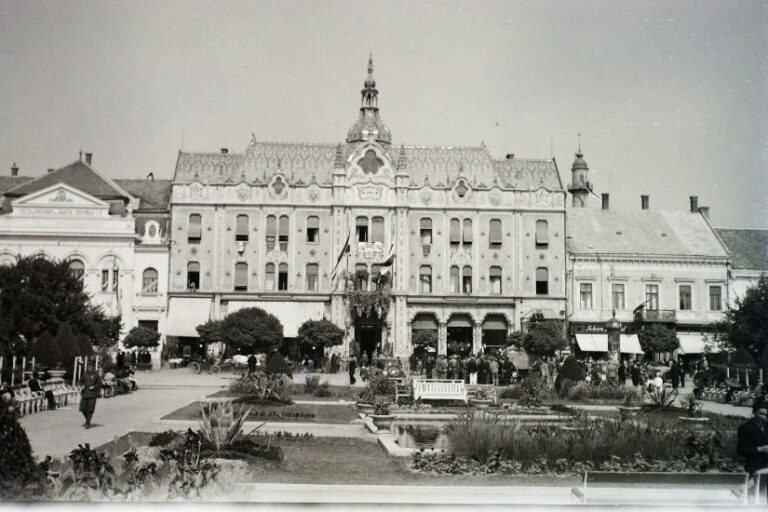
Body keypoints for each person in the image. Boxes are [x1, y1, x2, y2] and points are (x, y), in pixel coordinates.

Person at [738, 399, 768, 496]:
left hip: (766, 464)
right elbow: (741, 450)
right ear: (754, 412)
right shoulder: (746, 427)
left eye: (766, 415)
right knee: (751, 494)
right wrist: (759, 449)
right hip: (754, 464)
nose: (764, 417)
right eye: (761, 414)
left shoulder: (766, 426)